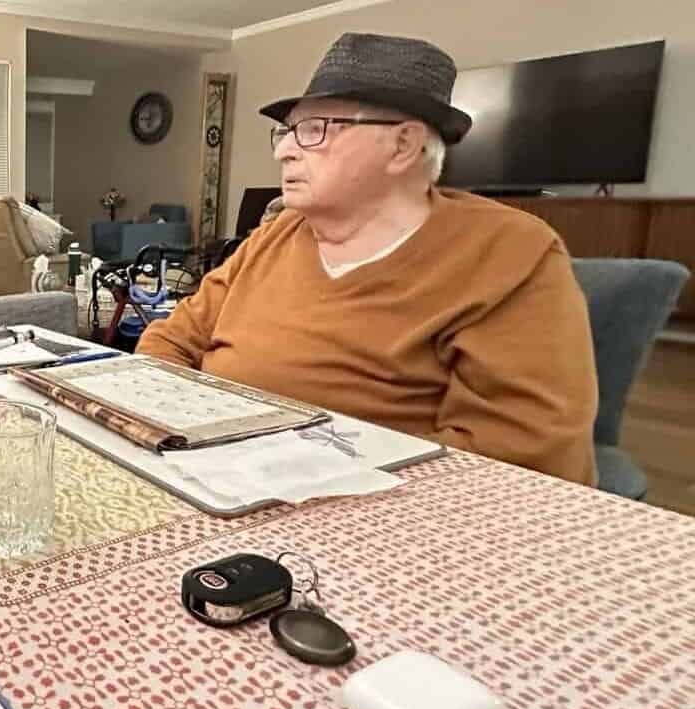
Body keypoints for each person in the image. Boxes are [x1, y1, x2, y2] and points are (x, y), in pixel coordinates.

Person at [137, 33, 597, 485]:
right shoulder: (275, 235)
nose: (283, 150)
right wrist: (181, 432)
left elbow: (520, 456)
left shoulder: (508, 252)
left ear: (403, 145)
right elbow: (170, 340)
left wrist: (293, 471)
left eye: (313, 130)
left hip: (372, 507)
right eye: (285, 132)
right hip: (210, 471)